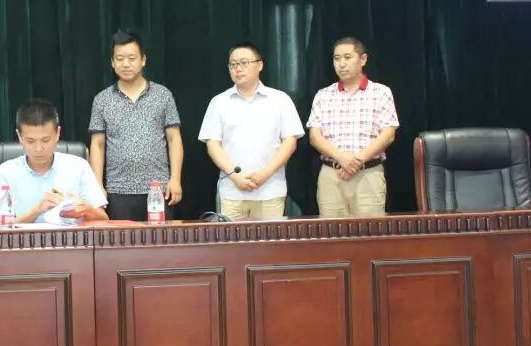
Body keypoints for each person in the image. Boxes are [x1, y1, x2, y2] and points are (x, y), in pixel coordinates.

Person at [198, 43, 304, 220]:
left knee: (269, 239)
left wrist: (265, 174)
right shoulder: (219, 102)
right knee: (230, 238)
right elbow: (212, 144)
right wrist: (235, 177)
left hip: (270, 190)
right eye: (233, 64)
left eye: (244, 63)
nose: (238, 69)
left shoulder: (280, 100)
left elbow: (290, 142)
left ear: (260, 65)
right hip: (232, 191)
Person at [88, 30, 184, 220]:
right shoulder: (102, 100)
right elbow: (97, 145)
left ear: (143, 60)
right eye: (120, 58)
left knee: (160, 239)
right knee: (122, 240)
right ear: (112, 62)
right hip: (118, 191)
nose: (126, 63)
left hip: (158, 190)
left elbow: (174, 139)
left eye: (132, 58)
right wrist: (97, 186)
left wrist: (175, 179)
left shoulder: (163, 95)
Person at [306, 36, 399, 217]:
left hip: (368, 173)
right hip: (331, 175)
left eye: (347, 57)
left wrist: (356, 161)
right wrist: (341, 158)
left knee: (370, 232)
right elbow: (314, 137)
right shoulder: (323, 95)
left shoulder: (381, 92)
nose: (341, 64)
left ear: (363, 59)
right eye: (337, 58)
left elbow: (388, 135)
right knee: (330, 232)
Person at [0, 99, 108, 225]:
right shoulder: (6, 172)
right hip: (26, 238)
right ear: (19, 136)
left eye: (45, 140)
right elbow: (2, 227)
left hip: (71, 237)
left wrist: (86, 210)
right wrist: (38, 210)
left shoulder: (79, 166)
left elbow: (104, 219)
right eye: (30, 141)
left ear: (58, 133)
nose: (38, 149)